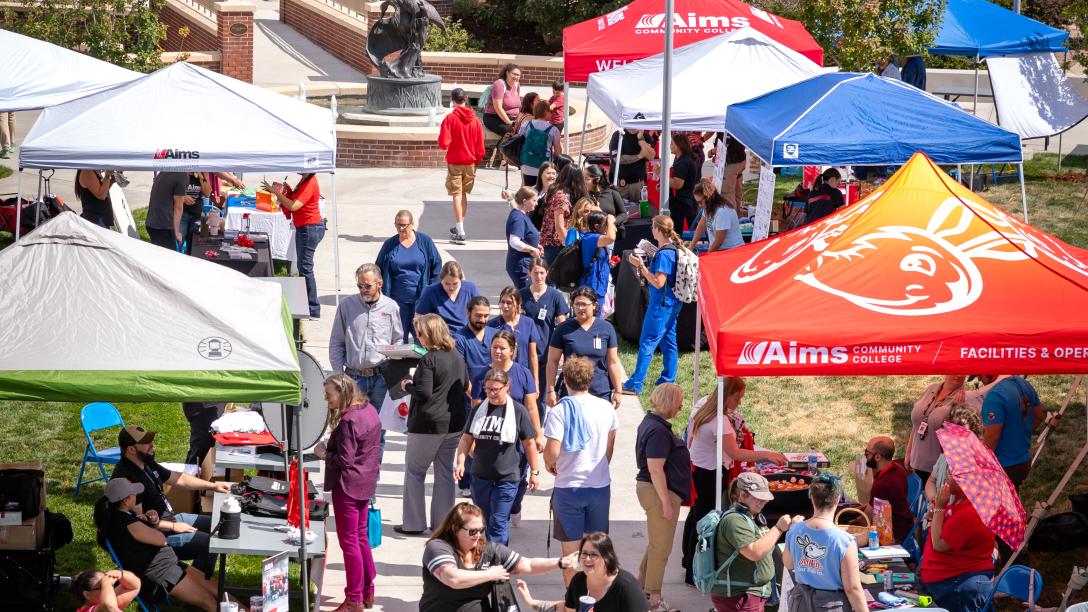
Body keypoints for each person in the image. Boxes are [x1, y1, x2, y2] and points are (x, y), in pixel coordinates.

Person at [683, 378, 787, 584]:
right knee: (706, 524)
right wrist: (767, 454)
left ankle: (688, 563)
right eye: (737, 398)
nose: (739, 402)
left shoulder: (704, 404)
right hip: (710, 475)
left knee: (696, 517)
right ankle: (696, 574)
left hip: (699, 470)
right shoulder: (719, 421)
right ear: (727, 395)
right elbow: (735, 453)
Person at [110, 425, 230, 579]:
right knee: (209, 544)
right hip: (158, 534)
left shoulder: (145, 461)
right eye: (146, 442)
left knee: (218, 523)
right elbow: (140, 524)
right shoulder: (128, 479)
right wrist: (175, 526)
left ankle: (199, 582)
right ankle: (198, 587)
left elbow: (178, 478)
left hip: (169, 519)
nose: (151, 444)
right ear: (131, 449)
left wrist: (214, 486)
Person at [542, 357, 619, 584]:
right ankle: (595, 599)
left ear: (565, 379)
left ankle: (574, 602)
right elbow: (610, 447)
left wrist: (548, 463)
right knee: (596, 553)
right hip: (599, 487)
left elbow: (552, 452)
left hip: (569, 489)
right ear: (590, 380)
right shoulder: (606, 407)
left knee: (572, 556)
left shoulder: (559, 411)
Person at [420, 502, 577, 612]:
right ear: (455, 528)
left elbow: (527, 564)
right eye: (472, 531)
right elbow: (453, 579)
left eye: (481, 530)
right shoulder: (438, 547)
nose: (478, 536)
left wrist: (561, 562)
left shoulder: (488, 550)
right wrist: (490, 574)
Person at [93, 479, 221, 611]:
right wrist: (148, 525)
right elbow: (161, 539)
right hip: (161, 574)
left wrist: (147, 521)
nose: (136, 495)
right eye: (133, 493)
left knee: (219, 591)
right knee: (211, 602)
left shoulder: (119, 516)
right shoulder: (127, 523)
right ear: (125, 501)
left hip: (168, 564)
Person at [315, 374, 382, 611]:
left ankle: (354, 598)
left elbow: (344, 459)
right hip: (365, 484)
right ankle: (367, 591)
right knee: (361, 536)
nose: (326, 399)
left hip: (348, 487)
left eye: (329, 394)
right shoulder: (370, 410)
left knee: (349, 541)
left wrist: (323, 453)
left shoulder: (349, 421)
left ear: (342, 393)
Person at [398, 314, 470, 535]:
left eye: (420, 334)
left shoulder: (429, 359)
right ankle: (443, 525)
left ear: (429, 335)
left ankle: (413, 524)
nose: (418, 338)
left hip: (427, 426)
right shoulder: (457, 356)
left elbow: (423, 393)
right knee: (444, 476)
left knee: (415, 472)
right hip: (453, 425)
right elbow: (466, 385)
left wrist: (407, 385)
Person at [454, 369, 541, 545]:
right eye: (488, 389)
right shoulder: (479, 409)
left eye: (496, 389)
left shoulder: (518, 411)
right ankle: (487, 558)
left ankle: (498, 563)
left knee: (498, 523)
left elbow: (529, 444)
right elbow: (466, 438)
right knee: (483, 522)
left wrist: (535, 472)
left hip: (507, 478)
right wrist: (461, 462)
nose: (492, 393)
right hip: (480, 477)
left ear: (506, 387)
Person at [329, 262, 404, 458]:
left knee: (377, 431)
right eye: (360, 286)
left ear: (379, 283)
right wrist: (339, 376)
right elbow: (337, 342)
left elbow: (397, 341)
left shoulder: (391, 307)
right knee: (352, 428)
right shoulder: (347, 306)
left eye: (367, 286)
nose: (363, 290)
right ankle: (352, 472)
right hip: (354, 380)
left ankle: (372, 479)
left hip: (381, 379)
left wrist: (394, 372)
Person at [635, 383, 691, 611]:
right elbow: (656, 469)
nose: (681, 406)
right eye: (679, 402)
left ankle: (641, 589)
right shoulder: (658, 430)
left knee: (656, 544)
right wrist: (666, 503)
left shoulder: (652, 424)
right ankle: (653, 600)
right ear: (669, 402)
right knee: (662, 548)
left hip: (655, 491)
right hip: (659, 493)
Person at [479, 330, 542, 526]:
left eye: (502, 348)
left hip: (518, 438)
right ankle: (499, 516)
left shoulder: (523, 373)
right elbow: (475, 407)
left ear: (512, 350)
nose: (497, 351)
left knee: (519, 479)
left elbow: (531, 406)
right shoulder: (482, 373)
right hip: (489, 437)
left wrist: (537, 434)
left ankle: (514, 506)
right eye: (494, 347)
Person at [782, 474, 868, 612]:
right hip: (830, 605)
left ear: (812, 498)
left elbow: (788, 563)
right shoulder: (844, 540)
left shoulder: (795, 530)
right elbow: (852, 588)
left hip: (801, 603)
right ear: (837, 500)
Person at [710, 473, 794, 612]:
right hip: (739, 596)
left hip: (750, 594)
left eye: (765, 499)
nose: (763, 502)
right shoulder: (734, 520)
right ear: (743, 495)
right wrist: (778, 528)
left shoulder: (752, 516)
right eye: (758, 498)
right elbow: (755, 552)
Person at [622, 215, 684, 394]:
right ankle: (668, 380)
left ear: (658, 229)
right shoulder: (671, 249)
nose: (651, 230)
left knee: (647, 342)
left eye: (653, 227)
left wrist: (641, 266)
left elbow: (658, 282)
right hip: (672, 302)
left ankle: (636, 384)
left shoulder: (665, 254)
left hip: (661, 305)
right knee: (668, 342)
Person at [516, 532, 649, 611]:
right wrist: (531, 602)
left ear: (607, 558)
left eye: (594, 555)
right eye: (584, 554)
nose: (587, 559)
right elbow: (566, 608)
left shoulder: (627, 587)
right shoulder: (579, 581)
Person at [920, 477, 996, 612]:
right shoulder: (960, 501)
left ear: (965, 480)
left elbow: (939, 544)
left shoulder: (970, 512)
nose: (946, 477)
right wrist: (937, 513)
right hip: (946, 580)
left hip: (957, 585)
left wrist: (939, 508)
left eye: (952, 473)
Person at [545, 287, 623, 408]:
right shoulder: (563, 329)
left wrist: (618, 390)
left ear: (594, 305)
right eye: (577, 304)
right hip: (571, 392)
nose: (580, 308)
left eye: (584, 304)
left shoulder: (606, 328)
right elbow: (552, 361)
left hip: (600, 392)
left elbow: (612, 362)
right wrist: (550, 390)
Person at [263, 173, 325, 318]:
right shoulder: (305, 179)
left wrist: (277, 193)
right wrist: (288, 191)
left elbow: (293, 205)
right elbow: (294, 201)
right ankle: (309, 306)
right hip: (306, 227)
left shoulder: (310, 182)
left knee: (305, 268)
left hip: (309, 228)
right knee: (304, 267)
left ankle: (313, 309)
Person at [982, 375, 1058, 489]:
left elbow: (992, 437)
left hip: (1002, 466)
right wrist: (1022, 433)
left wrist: (981, 464)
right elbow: (1039, 416)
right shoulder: (1023, 384)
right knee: (1014, 503)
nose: (979, 380)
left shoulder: (995, 395)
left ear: (987, 372)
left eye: (979, 376)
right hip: (1023, 461)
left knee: (999, 505)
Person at [375, 210, 443, 338]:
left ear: (412, 224)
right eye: (398, 225)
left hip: (421, 300)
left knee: (422, 335)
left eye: (404, 225)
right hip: (397, 300)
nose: (401, 228)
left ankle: (422, 359)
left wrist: (430, 289)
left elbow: (437, 264)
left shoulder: (425, 241)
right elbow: (378, 268)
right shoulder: (389, 244)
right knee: (399, 336)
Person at [905, 375, 973, 485]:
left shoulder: (965, 398)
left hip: (937, 472)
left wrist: (958, 410)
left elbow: (960, 436)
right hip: (916, 464)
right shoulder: (931, 389)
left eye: (963, 371)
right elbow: (917, 424)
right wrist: (908, 452)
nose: (959, 375)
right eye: (955, 370)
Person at [439, 87, 486, 245]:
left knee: (456, 195)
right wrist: (477, 159)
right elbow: (480, 146)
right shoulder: (476, 120)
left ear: (452, 101)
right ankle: (459, 226)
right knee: (464, 194)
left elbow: (443, 143)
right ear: (466, 99)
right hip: (471, 162)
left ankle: (461, 231)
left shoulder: (450, 119)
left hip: (455, 162)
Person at [519, 258, 569, 394]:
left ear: (547, 273)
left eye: (542, 272)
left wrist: (562, 351)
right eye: (535, 273)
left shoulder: (555, 296)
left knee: (539, 393)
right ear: (529, 273)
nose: (539, 276)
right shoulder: (521, 295)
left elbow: (562, 326)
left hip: (544, 352)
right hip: (523, 353)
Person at [860, 436, 913, 543]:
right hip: (905, 526)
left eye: (867, 453)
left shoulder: (883, 485)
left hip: (893, 536)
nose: (865, 456)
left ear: (878, 457)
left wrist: (848, 524)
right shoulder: (898, 468)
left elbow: (866, 520)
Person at [487, 287, 541, 387]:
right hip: (499, 377)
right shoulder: (492, 325)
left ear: (518, 304)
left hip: (522, 375)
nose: (505, 306)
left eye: (509, 303)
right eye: (502, 302)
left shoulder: (528, 323)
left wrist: (535, 382)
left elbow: (533, 355)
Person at [416, 261, 481, 335]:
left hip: (466, 334)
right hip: (441, 336)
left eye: (455, 283)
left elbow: (480, 311)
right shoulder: (431, 291)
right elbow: (419, 316)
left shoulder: (470, 288)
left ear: (461, 280)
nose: (451, 288)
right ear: (441, 280)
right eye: (447, 284)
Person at [539, 164, 583, 263]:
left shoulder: (555, 192)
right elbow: (559, 227)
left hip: (552, 245)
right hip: (556, 245)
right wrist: (570, 247)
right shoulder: (561, 198)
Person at [502, 186, 543, 288]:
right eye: (534, 201)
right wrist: (532, 249)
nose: (536, 203)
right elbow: (514, 242)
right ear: (525, 201)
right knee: (526, 295)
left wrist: (535, 245)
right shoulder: (518, 218)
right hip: (521, 266)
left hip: (525, 264)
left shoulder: (522, 214)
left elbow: (525, 237)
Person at [144, 172, 196, 251]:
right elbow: (178, 207)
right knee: (168, 259)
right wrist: (177, 232)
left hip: (152, 223)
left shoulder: (165, 171)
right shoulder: (182, 176)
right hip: (163, 226)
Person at [688, 178, 743, 253]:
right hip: (720, 250)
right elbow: (701, 226)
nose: (699, 205)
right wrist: (691, 245)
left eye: (700, 202)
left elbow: (718, 242)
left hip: (731, 251)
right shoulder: (708, 207)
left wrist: (707, 255)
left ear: (708, 198)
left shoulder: (722, 212)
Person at [577, 211, 616, 313]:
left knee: (595, 321)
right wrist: (611, 220)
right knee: (590, 322)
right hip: (590, 289)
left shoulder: (597, 239)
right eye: (606, 225)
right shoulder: (591, 238)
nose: (608, 227)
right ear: (597, 226)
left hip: (598, 288)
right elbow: (611, 237)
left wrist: (608, 264)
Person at [517, 99, 562, 186]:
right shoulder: (553, 130)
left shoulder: (526, 124)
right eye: (550, 111)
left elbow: (519, 142)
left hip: (526, 164)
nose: (551, 113)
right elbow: (558, 152)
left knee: (528, 191)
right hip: (543, 167)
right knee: (542, 192)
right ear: (546, 111)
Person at [609, 129, 656, 202]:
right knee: (619, 212)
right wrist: (639, 156)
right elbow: (618, 159)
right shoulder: (618, 135)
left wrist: (641, 139)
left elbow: (651, 156)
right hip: (621, 185)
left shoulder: (645, 136)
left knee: (639, 211)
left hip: (638, 185)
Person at [585, 164, 628, 239]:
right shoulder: (585, 196)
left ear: (597, 180)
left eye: (587, 179)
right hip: (592, 238)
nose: (583, 181)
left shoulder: (612, 193)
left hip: (612, 236)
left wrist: (610, 223)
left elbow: (623, 213)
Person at [69, 568, 141, 612]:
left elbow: (135, 586)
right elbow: (109, 607)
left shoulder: (107, 600)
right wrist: (107, 584)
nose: (109, 589)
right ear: (87, 595)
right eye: (103, 586)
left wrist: (120, 573)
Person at [668, 134, 700, 231]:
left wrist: (662, 174)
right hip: (685, 202)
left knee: (679, 233)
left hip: (683, 204)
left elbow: (677, 184)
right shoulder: (682, 159)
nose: (670, 146)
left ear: (679, 146)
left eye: (672, 144)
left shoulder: (683, 162)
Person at [720, 134, 747, 211]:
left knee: (727, 193)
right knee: (736, 192)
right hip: (739, 159)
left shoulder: (728, 123)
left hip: (732, 162)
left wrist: (713, 151)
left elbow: (726, 142)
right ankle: (736, 218)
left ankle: (732, 220)